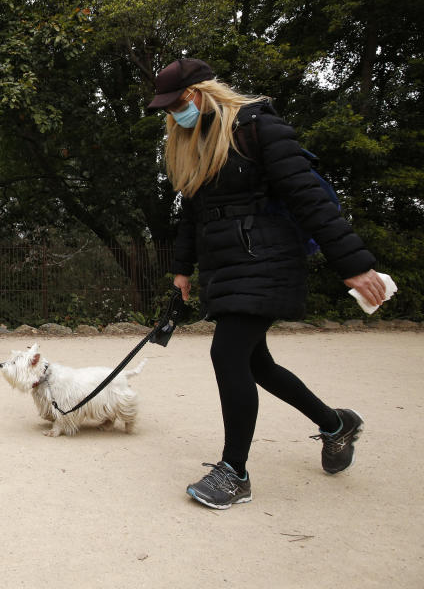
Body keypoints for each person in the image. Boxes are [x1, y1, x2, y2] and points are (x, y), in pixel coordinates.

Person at [148, 58, 388, 509]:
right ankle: (336, 424)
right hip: (226, 265)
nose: (174, 114)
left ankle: (234, 472)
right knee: (255, 363)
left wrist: (353, 263)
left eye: (177, 103)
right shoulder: (195, 142)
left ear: (201, 92)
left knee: (227, 352)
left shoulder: (260, 127)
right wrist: (182, 268)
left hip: (268, 259)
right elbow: (192, 215)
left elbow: (308, 197)